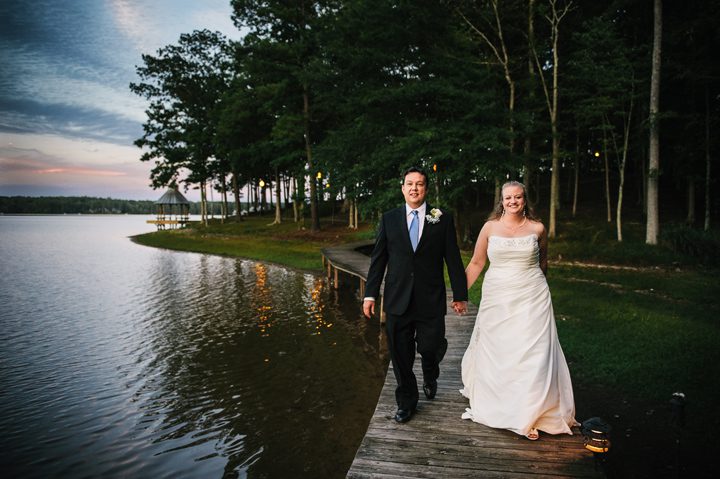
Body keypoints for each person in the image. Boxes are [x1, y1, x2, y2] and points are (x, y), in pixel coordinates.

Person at [460, 180, 578, 441]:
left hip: (532, 297)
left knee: (533, 352)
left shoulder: (537, 228)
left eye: (518, 197)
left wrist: (535, 286)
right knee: (502, 350)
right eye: (508, 198)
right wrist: (460, 294)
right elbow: (477, 262)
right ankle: (503, 405)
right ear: (501, 201)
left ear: (525, 200)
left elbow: (543, 261)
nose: (513, 202)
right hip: (498, 297)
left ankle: (531, 413)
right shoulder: (489, 228)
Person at [363, 166, 468, 423]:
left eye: (419, 184)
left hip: (430, 299)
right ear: (402, 188)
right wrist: (370, 294)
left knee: (430, 347)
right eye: (409, 184)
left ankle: (430, 373)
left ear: (426, 188)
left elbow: (452, 258)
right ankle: (407, 401)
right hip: (397, 298)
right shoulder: (389, 218)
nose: (414, 188)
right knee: (400, 355)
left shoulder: (441, 217)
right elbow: (378, 259)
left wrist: (460, 293)